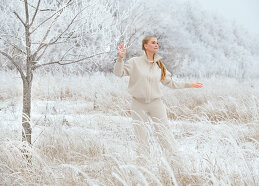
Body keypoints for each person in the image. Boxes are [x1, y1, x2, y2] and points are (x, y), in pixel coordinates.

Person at [113, 36, 203, 160]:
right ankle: (144, 162)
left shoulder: (159, 65)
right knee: (141, 135)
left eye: (157, 43)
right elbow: (119, 73)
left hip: (156, 104)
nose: (156, 45)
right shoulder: (135, 62)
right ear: (145, 46)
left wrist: (189, 84)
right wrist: (120, 58)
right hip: (138, 104)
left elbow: (170, 83)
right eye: (153, 42)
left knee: (164, 132)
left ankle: (174, 160)